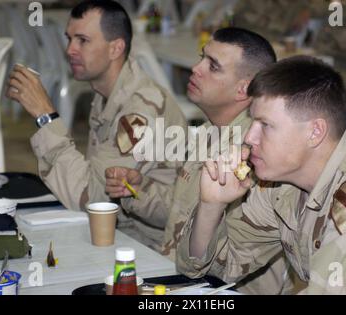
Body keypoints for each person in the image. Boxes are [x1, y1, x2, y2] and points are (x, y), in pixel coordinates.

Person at [176, 55, 346, 294]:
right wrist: (211, 206)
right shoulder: (281, 182)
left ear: (315, 132)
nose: (249, 137)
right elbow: (215, 269)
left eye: (264, 125)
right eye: (252, 123)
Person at [105, 27, 291, 294]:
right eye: (201, 57)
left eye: (213, 66)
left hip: (219, 290)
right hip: (177, 277)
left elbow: (221, 260)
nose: (195, 68)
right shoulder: (208, 131)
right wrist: (137, 191)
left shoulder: (252, 155)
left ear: (244, 89)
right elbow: (181, 216)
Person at [6, 0, 186, 245]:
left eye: (83, 40)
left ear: (115, 49)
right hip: (121, 232)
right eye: (69, 39)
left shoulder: (140, 112)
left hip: (151, 247)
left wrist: (46, 116)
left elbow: (94, 199)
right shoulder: (107, 93)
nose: (70, 50)